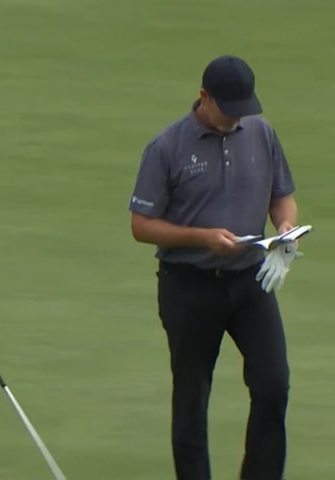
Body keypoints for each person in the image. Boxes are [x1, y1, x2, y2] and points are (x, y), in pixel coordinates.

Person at [128, 54, 304, 480]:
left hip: (250, 280)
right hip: (189, 286)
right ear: (203, 97)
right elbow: (141, 225)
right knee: (191, 400)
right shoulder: (167, 147)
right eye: (228, 108)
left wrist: (285, 230)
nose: (237, 118)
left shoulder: (261, 133)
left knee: (273, 384)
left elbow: (283, 195)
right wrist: (202, 238)